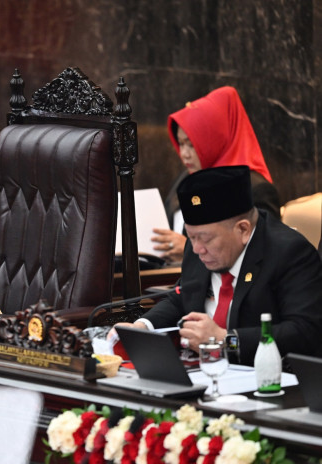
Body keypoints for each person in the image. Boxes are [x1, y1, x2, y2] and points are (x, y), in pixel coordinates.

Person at [135, 166, 322, 366]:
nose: (198, 249)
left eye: (206, 239)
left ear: (243, 229)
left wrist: (226, 341)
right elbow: (181, 296)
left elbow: (304, 332)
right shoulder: (197, 247)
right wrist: (143, 326)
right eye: (191, 237)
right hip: (200, 370)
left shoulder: (289, 253)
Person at [152, 86, 281, 263]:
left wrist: (189, 251)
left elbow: (263, 253)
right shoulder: (187, 179)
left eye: (192, 144)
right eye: (181, 144)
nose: (184, 154)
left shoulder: (256, 189)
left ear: (213, 139)